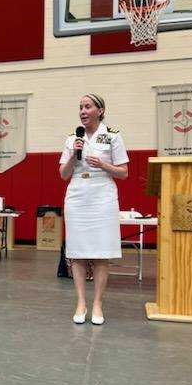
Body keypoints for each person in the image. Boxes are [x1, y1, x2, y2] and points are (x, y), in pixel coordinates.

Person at [59, 93, 129, 326]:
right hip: (78, 193)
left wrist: (103, 165)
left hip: (102, 194)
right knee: (77, 252)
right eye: (80, 107)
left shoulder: (113, 136)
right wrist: (72, 155)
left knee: (101, 252)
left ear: (100, 110)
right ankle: (81, 302)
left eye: (87, 106)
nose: (82, 111)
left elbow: (124, 172)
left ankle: (97, 303)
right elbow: (63, 174)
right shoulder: (72, 139)